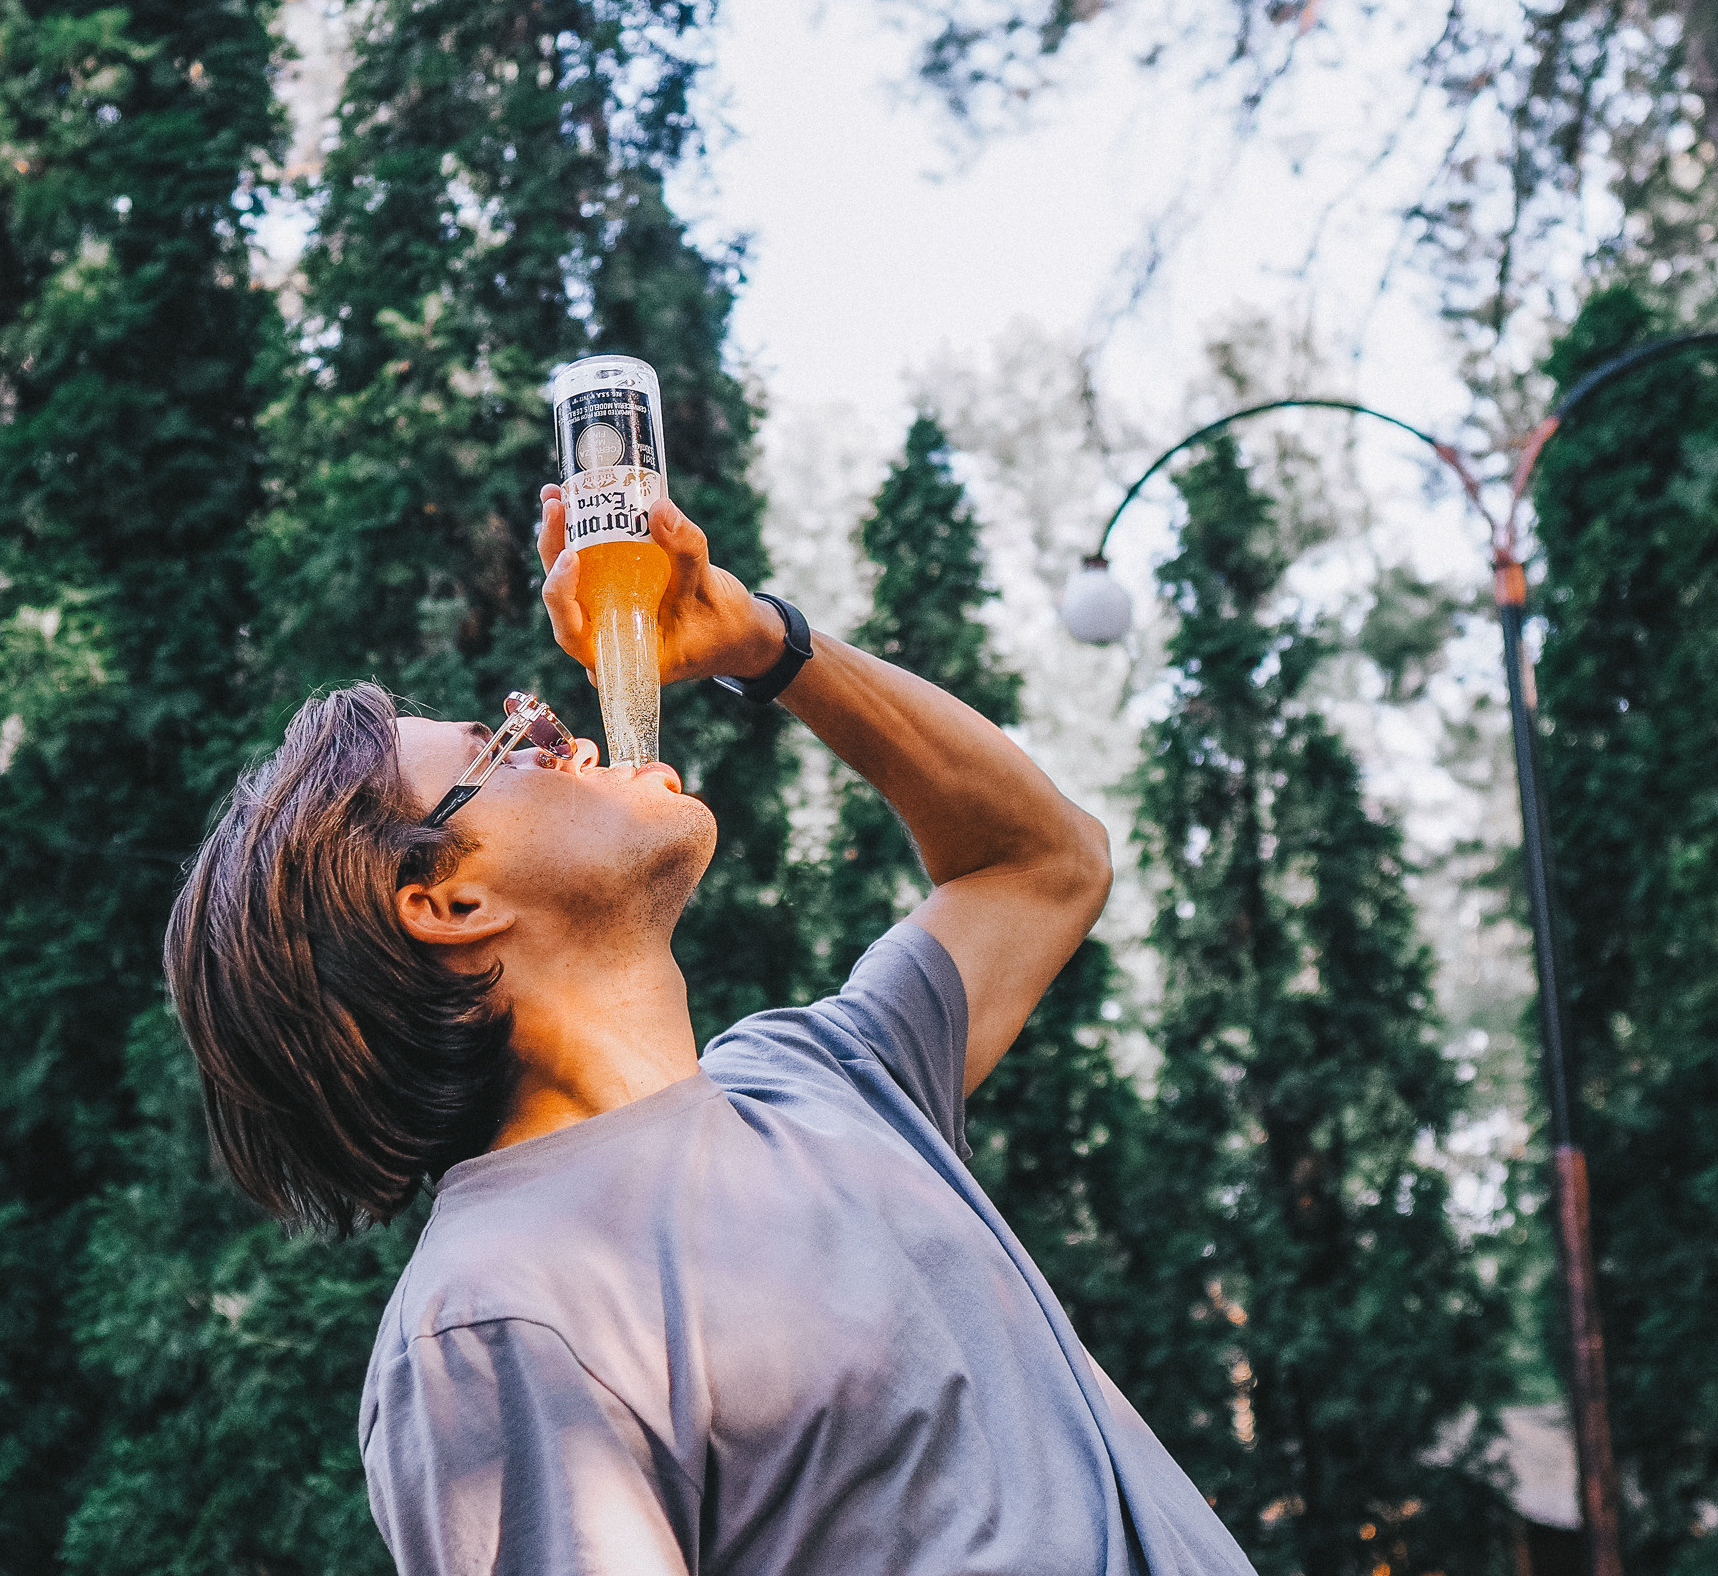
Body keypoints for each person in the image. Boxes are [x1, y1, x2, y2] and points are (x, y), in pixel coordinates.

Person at [165, 484, 1258, 1576]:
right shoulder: (495, 1315)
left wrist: (765, 644)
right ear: (448, 902)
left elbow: (1045, 861)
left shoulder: (822, 1072)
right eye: (508, 744)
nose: (566, 736)